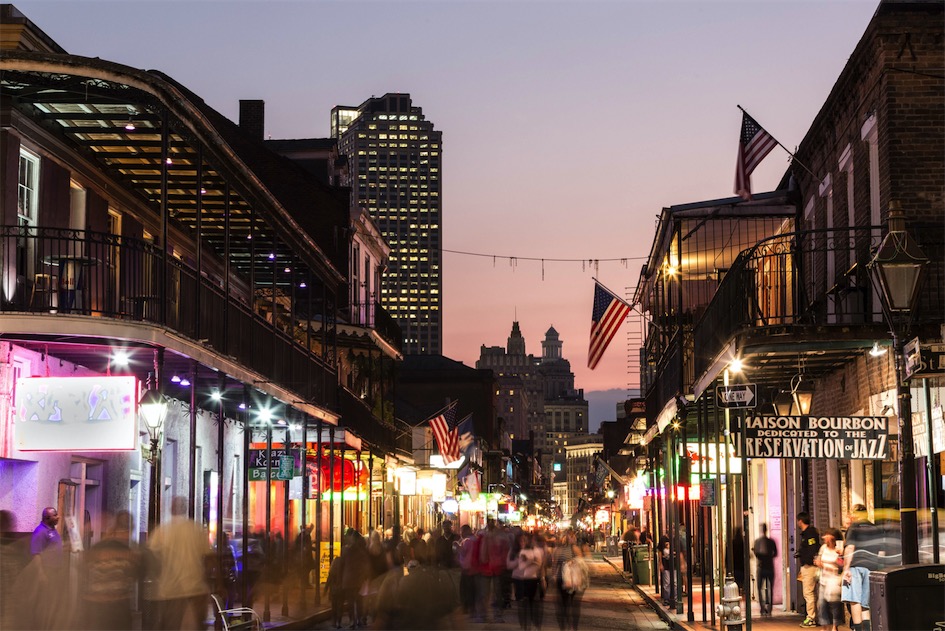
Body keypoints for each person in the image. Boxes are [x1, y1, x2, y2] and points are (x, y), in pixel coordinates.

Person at [147, 496, 212, 630]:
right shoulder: (196, 529)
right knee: (198, 625)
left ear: (171, 509)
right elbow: (208, 558)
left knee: (172, 626)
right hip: (195, 586)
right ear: (185, 509)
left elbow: (151, 556)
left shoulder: (162, 530)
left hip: (171, 588)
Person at [80, 510, 143, 630]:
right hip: (118, 606)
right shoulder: (129, 551)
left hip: (95, 605)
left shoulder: (97, 547)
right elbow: (136, 575)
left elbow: (84, 571)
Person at [842, 505, 881, 631]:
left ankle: (858, 629)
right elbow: (881, 551)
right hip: (871, 568)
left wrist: (846, 569)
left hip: (856, 566)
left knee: (854, 601)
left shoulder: (854, 527)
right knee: (865, 604)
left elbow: (850, 547)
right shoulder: (876, 528)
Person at [815, 528, 844, 631]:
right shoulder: (823, 548)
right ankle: (824, 626)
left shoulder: (839, 550)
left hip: (834, 581)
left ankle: (835, 626)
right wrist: (819, 563)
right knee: (821, 604)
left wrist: (840, 555)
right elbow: (818, 559)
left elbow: (842, 565)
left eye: (828, 537)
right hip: (823, 580)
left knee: (835, 605)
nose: (825, 539)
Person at [797, 512, 821, 628]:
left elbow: (812, 549)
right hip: (808, 566)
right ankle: (814, 616)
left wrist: (807, 560)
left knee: (808, 593)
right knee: (811, 593)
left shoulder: (809, 534)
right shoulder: (808, 533)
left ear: (800, 521)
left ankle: (811, 618)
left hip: (809, 567)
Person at [752, 522, 777, 617]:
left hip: (762, 566)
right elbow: (775, 553)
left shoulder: (758, 542)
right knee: (770, 588)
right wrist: (769, 557)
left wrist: (762, 557)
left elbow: (755, 553)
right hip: (769, 566)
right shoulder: (771, 542)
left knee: (760, 587)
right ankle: (768, 608)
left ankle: (763, 608)